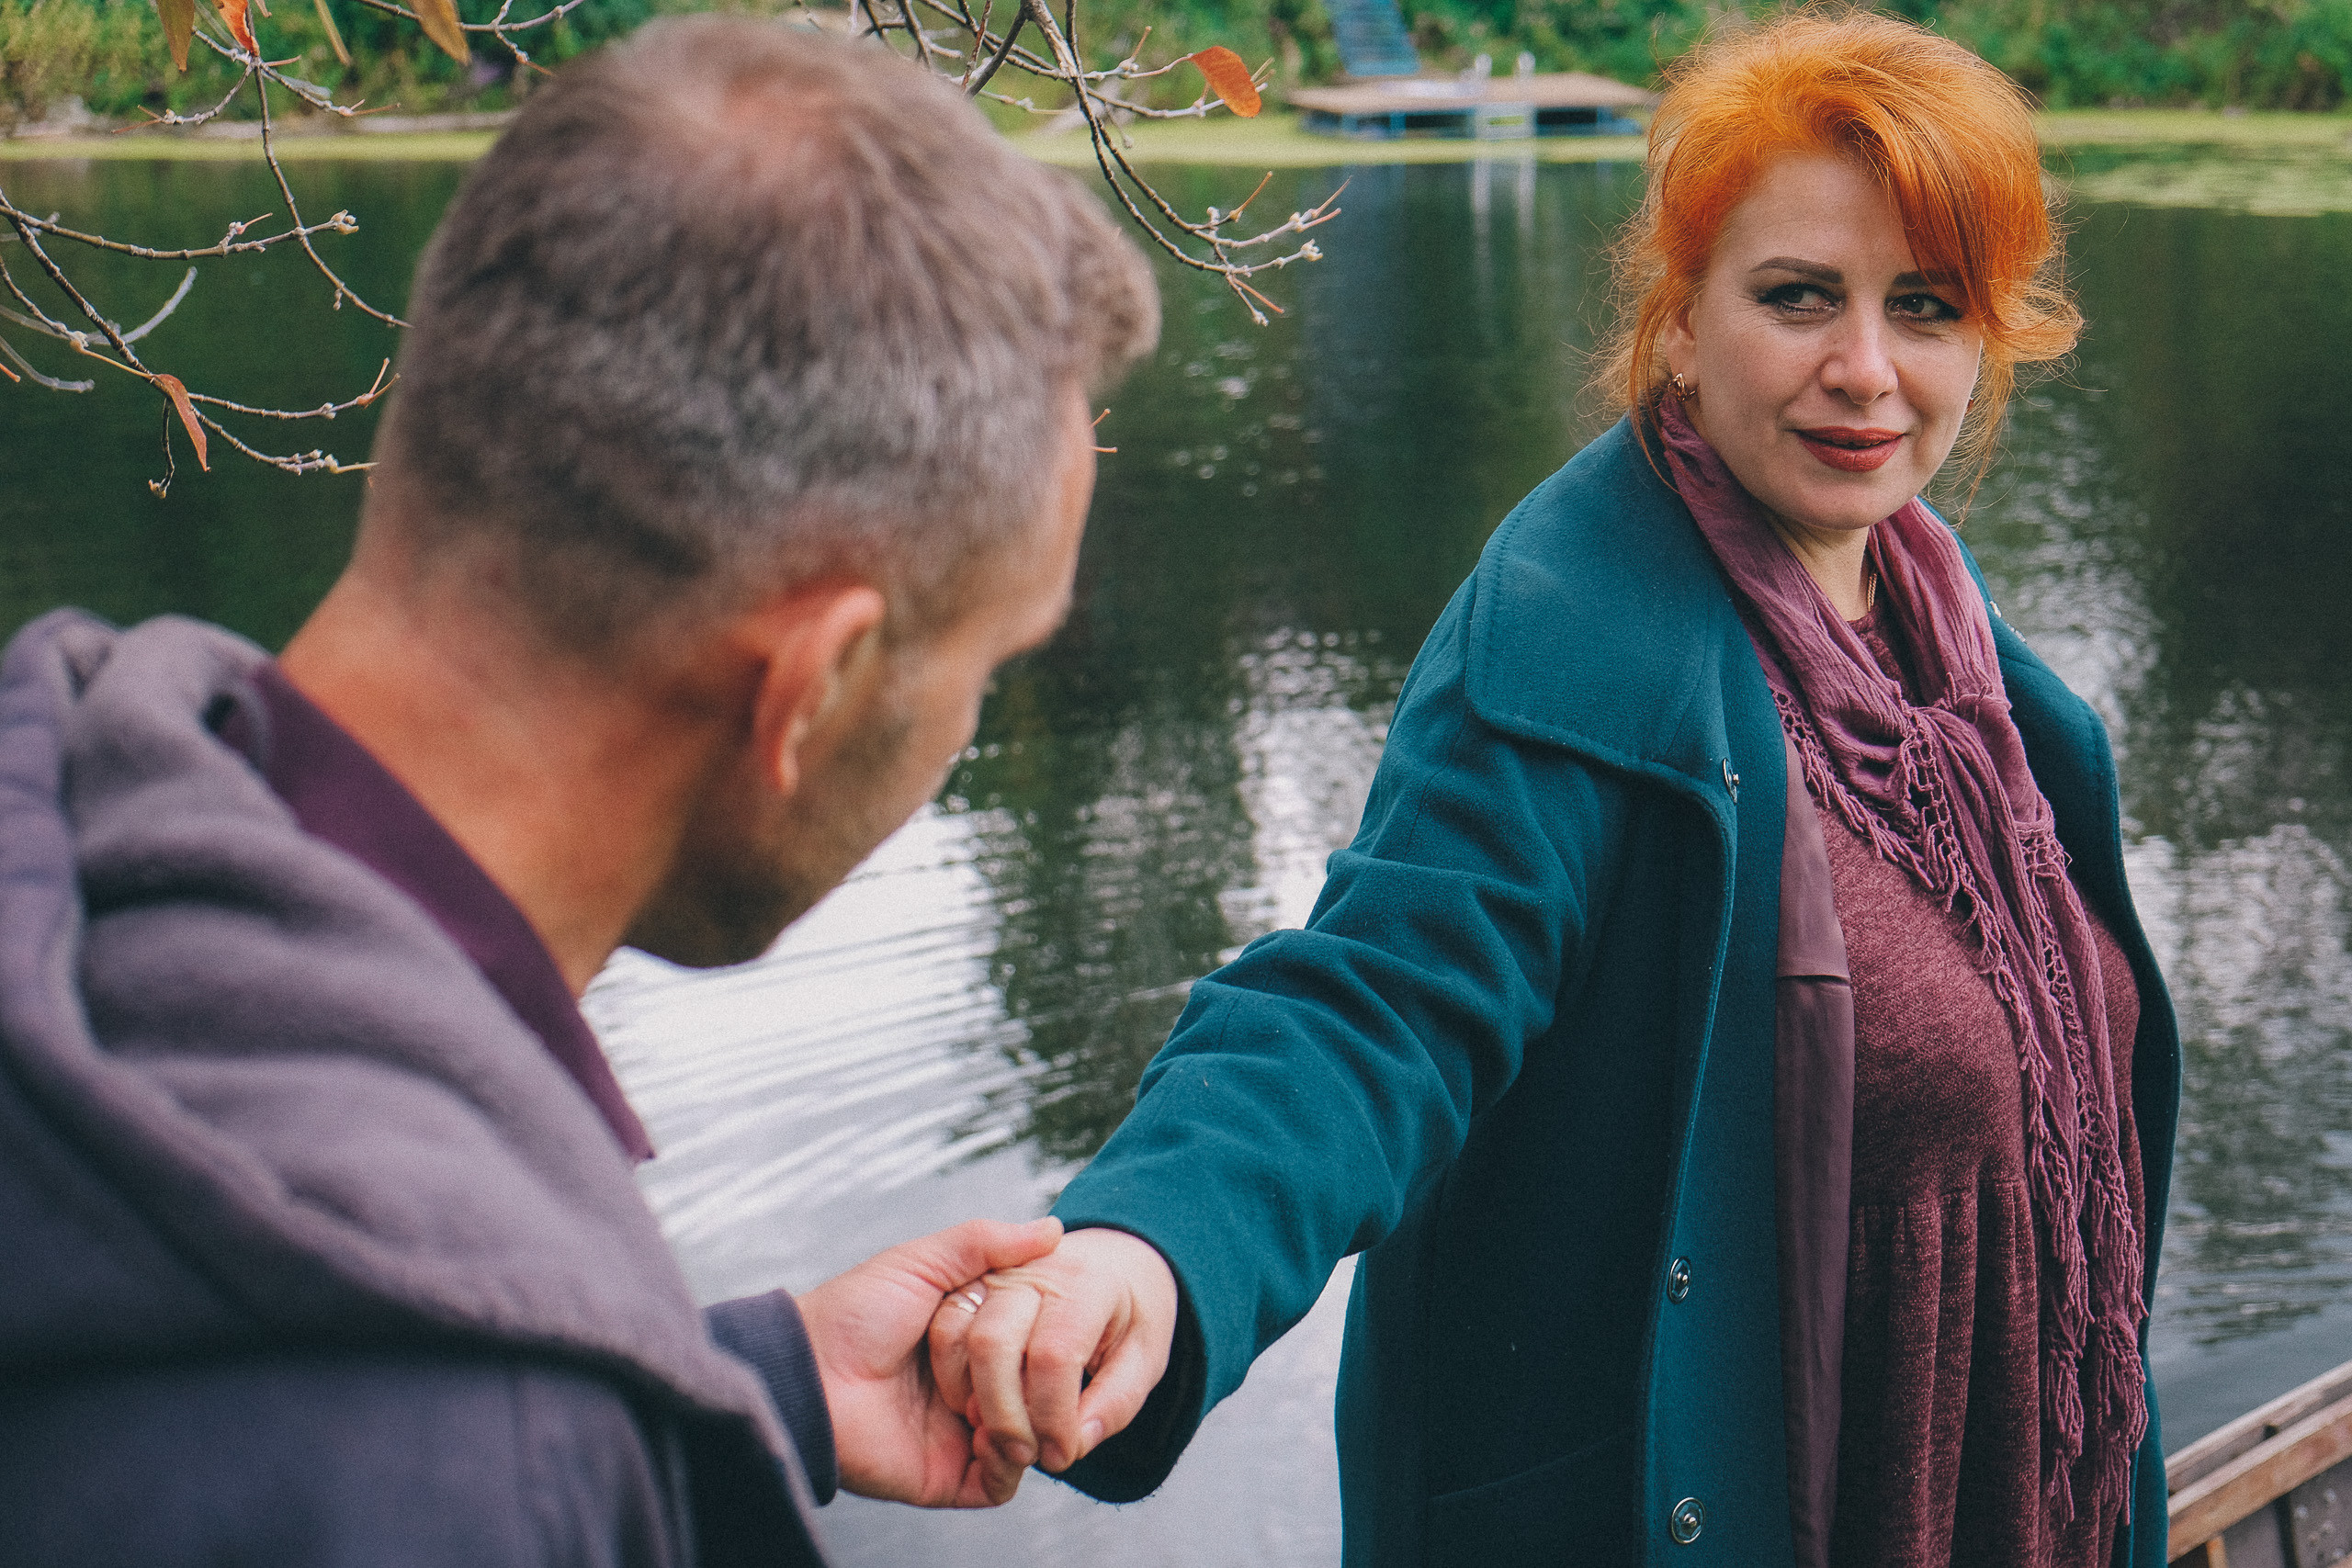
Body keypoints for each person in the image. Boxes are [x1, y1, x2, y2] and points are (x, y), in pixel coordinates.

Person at [931, 12, 2180, 1567]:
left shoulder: (1942, 640)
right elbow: (1373, 1003)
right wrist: (1147, 1247)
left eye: (1923, 306)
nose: (1865, 369)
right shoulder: (1569, 635)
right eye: (1798, 296)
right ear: (1682, 321)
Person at [0, 18, 1156, 1566]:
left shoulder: (65, 833)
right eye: (986, 663)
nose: (967, 727)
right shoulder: (463, 1464)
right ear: (812, 687)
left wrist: (727, 1391)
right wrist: (568, 1447)